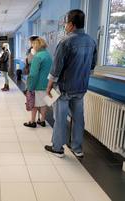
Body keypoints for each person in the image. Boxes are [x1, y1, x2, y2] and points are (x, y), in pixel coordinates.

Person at [45, 9, 97, 158]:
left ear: (72, 25)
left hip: (64, 89)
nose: (65, 26)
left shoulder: (66, 42)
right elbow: (92, 65)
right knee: (79, 118)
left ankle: (58, 148)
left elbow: (56, 69)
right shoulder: (91, 41)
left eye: (66, 23)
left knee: (60, 119)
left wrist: (49, 87)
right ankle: (77, 148)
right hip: (81, 87)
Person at [24, 37, 52, 128]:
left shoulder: (37, 57)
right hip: (47, 84)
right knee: (44, 103)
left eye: (33, 44)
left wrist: (30, 86)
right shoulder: (48, 55)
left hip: (38, 85)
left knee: (34, 104)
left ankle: (32, 121)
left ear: (37, 45)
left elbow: (33, 74)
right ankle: (42, 120)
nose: (32, 46)